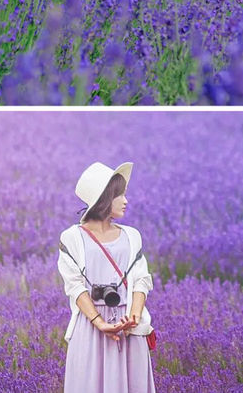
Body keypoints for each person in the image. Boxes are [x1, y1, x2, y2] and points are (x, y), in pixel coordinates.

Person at [58, 161, 156, 393]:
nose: (126, 200)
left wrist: (133, 316)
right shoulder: (72, 238)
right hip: (91, 326)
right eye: (119, 195)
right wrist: (100, 322)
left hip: (128, 328)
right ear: (104, 198)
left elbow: (141, 279)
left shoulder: (132, 236)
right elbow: (74, 286)